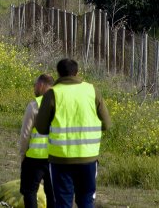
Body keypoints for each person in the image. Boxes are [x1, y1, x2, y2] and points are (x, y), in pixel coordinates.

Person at [33, 58, 110, 208]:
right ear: (77, 73)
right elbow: (106, 124)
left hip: (61, 159)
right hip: (88, 157)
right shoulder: (92, 90)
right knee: (86, 200)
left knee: (63, 202)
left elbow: (41, 128)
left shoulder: (53, 93)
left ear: (59, 73)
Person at [18, 73, 56, 208]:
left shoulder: (34, 105)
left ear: (40, 85)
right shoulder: (60, 103)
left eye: (35, 85)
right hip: (55, 156)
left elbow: (25, 134)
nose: (34, 87)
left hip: (35, 156)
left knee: (29, 191)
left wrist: (23, 154)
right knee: (53, 194)